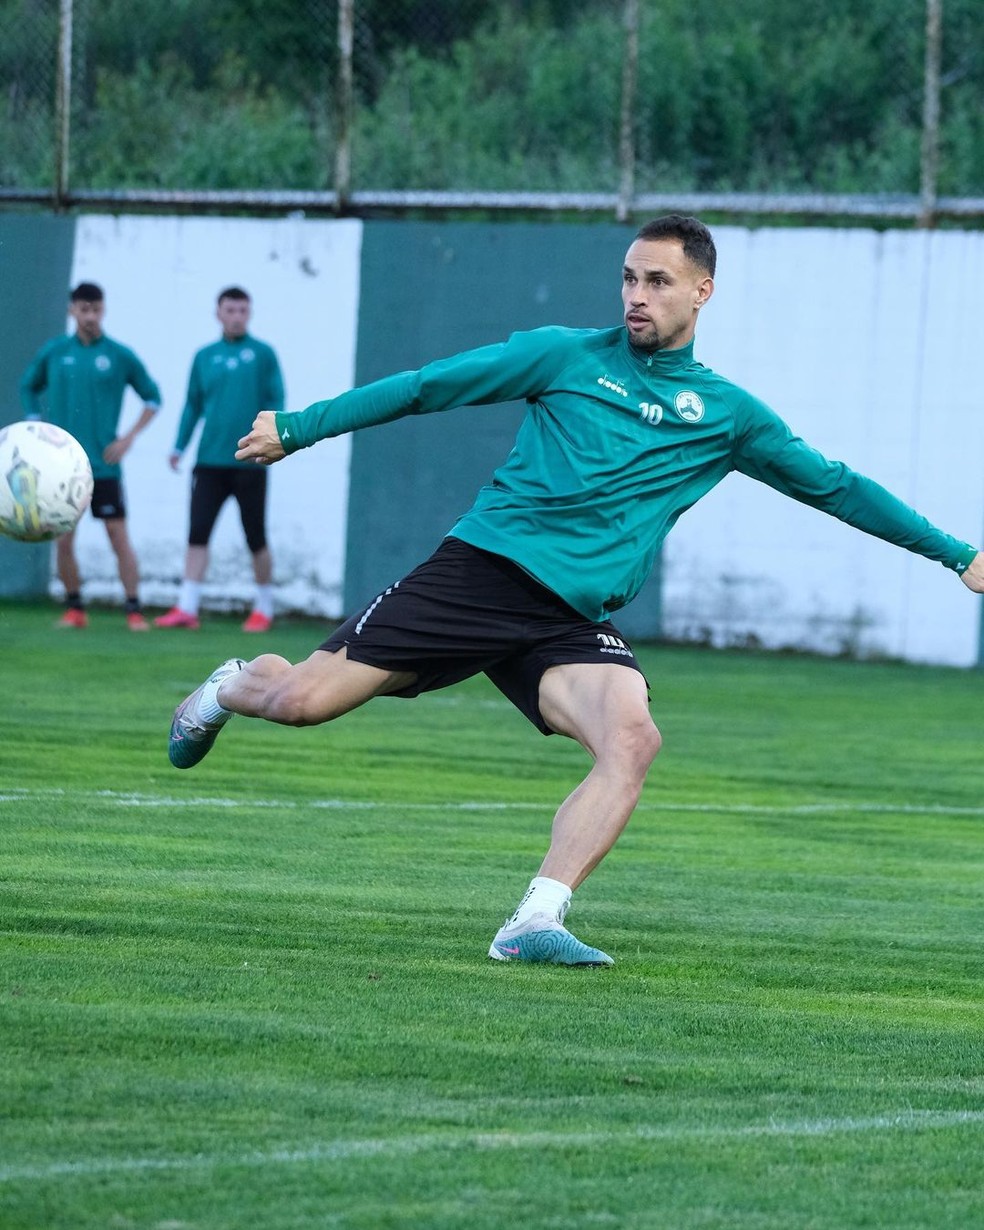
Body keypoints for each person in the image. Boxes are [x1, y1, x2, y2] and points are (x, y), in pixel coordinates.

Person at [166, 215, 984, 967]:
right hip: (479, 575)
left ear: (703, 291)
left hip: (567, 619)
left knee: (633, 741)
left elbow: (836, 487)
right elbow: (426, 386)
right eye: (629, 278)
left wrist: (957, 553)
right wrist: (301, 425)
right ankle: (228, 685)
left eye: (658, 281)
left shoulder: (729, 416)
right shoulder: (564, 355)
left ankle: (534, 921)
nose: (636, 296)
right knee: (302, 702)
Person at [20, 281, 162, 631]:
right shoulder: (55, 352)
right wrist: (35, 425)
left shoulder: (118, 354)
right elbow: (28, 385)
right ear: (72, 310)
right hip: (62, 466)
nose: (90, 316)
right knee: (64, 539)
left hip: (105, 466)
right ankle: (75, 609)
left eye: (96, 309)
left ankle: (133, 610)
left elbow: (153, 397)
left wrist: (128, 439)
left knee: (118, 536)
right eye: (83, 309)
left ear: (103, 310)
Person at [155, 287, 285, 633]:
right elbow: (192, 404)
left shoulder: (263, 355)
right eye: (231, 310)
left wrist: (275, 444)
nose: (237, 316)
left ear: (249, 313)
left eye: (243, 310)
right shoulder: (204, 356)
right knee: (198, 532)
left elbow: (277, 401)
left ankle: (264, 609)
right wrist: (179, 447)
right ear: (219, 313)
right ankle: (187, 607)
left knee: (255, 534)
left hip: (250, 460)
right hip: (209, 462)